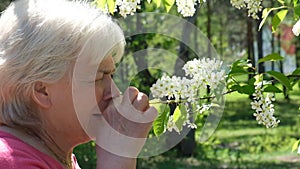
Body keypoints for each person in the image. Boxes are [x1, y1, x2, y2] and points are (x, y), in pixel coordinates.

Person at [0, 0, 157, 168]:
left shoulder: (56, 156)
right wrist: (117, 155)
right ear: (42, 91)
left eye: (110, 75)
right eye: (98, 78)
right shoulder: (11, 161)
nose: (115, 92)